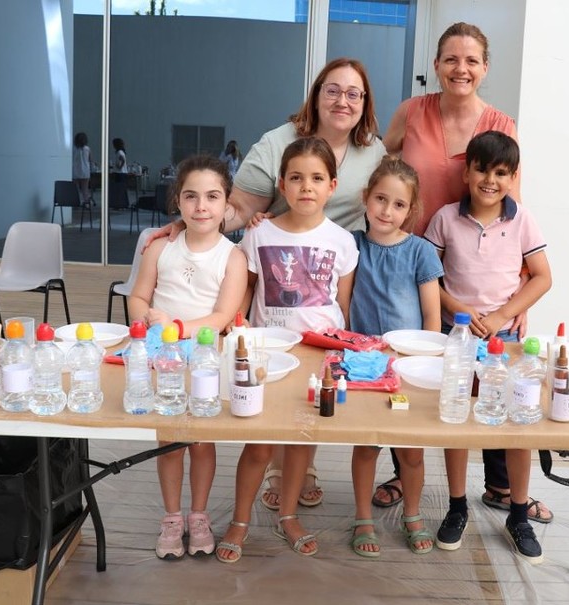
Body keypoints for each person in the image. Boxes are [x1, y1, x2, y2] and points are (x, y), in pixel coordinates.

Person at [147, 57, 386, 511]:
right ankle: (270, 474)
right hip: (274, 296)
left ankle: (301, 468)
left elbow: (344, 299)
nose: (343, 100)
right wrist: (193, 222)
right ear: (316, 95)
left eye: (354, 93)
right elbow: (237, 208)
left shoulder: (374, 151)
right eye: (332, 90)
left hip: (326, 286)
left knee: (309, 401)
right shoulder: (278, 143)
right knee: (270, 403)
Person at [373, 22, 549, 522]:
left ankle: (501, 486)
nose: (461, 68)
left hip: (479, 279)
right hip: (412, 263)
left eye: (472, 60)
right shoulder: (411, 112)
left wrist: (515, 297)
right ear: (436, 64)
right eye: (451, 58)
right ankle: (404, 471)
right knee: (414, 370)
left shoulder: (500, 124)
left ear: (485, 67)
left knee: (491, 379)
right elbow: (378, 163)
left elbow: (514, 205)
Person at [215, 136, 358, 563]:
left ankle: (289, 515)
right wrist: (235, 327)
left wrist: (343, 351)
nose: (306, 186)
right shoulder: (259, 234)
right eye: (296, 178)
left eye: (316, 178)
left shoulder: (343, 241)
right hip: (269, 356)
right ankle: (240, 520)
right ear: (281, 184)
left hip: (318, 357)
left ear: (332, 186)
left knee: (300, 441)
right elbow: (248, 290)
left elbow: (343, 305)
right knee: (259, 444)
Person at [424, 130, 552, 560]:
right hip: (456, 337)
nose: (490, 180)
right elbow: (429, 277)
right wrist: (458, 308)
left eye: (501, 173)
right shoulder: (445, 218)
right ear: (466, 172)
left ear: (513, 178)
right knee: (457, 420)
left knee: (517, 426)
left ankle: (517, 512)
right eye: (482, 170)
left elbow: (542, 277)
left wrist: (501, 316)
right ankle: (457, 506)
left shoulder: (522, 221)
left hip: (506, 341)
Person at [128, 155, 248, 560]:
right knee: (169, 441)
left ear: (227, 204)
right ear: (177, 200)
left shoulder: (233, 257)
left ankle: (198, 515)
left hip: (204, 362)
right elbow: (139, 297)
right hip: (163, 360)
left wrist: (176, 327)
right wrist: (148, 322)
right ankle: (171, 517)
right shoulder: (159, 248)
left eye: (212, 197)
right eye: (191, 196)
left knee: (200, 440)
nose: (201, 206)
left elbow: (223, 316)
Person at [348, 156, 442, 557]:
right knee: (366, 445)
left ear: (411, 209)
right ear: (366, 197)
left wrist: (428, 363)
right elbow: (342, 304)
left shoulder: (420, 251)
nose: (387, 210)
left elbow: (432, 316)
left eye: (399, 204)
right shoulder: (352, 245)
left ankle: (413, 514)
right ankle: (362, 518)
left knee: (411, 451)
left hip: (407, 367)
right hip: (364, 366)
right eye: (381, 199)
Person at [72, 132, 93, 207]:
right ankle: (86, 203)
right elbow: (90, 160)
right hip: (85, 171)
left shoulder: (74, 149)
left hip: (76, 171)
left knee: (76, 189)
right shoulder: (87, 149)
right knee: (85, 189)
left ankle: (77, 202)